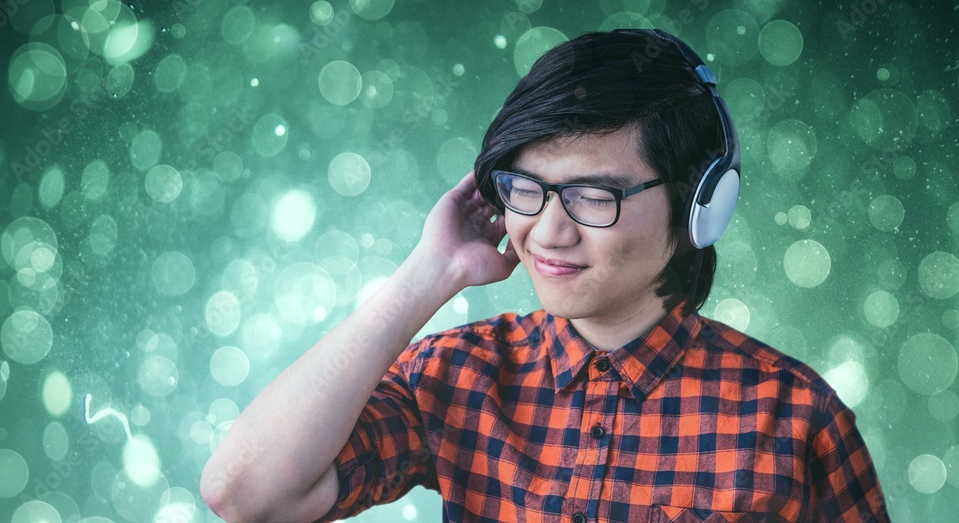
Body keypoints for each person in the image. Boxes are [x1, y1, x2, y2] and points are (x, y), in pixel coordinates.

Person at [200, 29, 891, 523]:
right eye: (525, 187)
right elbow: (248, 493)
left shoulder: (796, 418)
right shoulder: (461, 376)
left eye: (595, 195)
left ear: (700, 206)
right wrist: (426, 275)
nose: (549, 231)